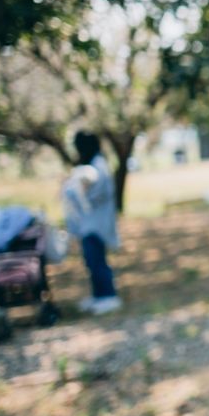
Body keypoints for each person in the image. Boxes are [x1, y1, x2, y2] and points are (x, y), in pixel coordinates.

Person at [63, 131, 122, 315]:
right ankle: (99, 295)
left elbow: (95, 194)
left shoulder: (98, 166)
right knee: (91, 259)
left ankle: (108, 296)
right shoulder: (93, 164)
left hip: (96, 223)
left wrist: (76, 189)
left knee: (97, 260)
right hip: (89, 223)